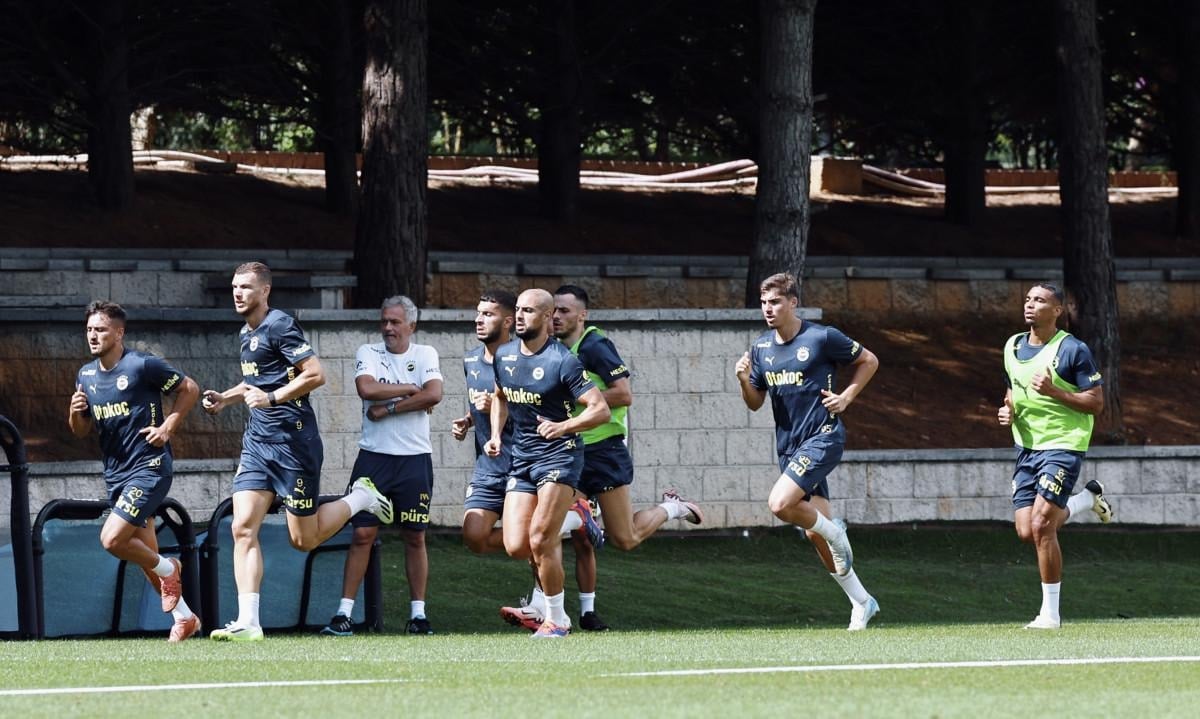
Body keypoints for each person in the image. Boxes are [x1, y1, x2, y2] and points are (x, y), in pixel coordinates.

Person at [201, 262, 392, 641]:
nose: (237, 293)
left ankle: (361, 497)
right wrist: (226, 397)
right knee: (241, 527)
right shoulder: (246, 332)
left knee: (303, 539)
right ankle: (248, 622)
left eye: (246, 287)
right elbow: (255, 381)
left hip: (294, 445)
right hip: (257, 445)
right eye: (235, 286)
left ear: (265, 291)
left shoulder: (280, 325)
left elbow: (315, 374)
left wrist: (272, 398)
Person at [500, 285, 702, 633]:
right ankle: (548, 606)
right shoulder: (541, 350)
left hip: (602, 448)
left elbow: (623, 395)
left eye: (564, 311)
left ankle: (672, 507)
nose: (558, 317)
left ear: (582, 315)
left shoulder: (592, 346)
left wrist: (566, 405)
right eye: (555, 310)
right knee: (541, 534)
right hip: (565, 449)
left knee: (623, 538)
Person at [734, 272, 881, 631]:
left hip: (823, 436)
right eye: (764, 303)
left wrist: (846, 397)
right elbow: (755, 402)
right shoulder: (761, 348)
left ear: (793, 302)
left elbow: (869, 360)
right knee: (816, 533)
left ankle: (837, 532)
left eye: (775, 302)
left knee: (779, 504)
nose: (768, 309)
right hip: (789, 447)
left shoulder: (821, 337)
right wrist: (742, 379)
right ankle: (862, 602)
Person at [67, 301, 203, 642]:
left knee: (112, 539)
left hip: (150, 467)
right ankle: (185, 618)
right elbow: (81, 431)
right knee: (145, 554)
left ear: (119, 332)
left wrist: (168, 427)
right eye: (89, 330)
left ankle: (171, 567)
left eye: (100, 330)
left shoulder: (142, 365)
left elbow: (190, 388)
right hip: (116, 474)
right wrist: (74, 412)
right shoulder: (85, 375)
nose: (93, 336)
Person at [484, 288, 611, 638]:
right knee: (516, 545)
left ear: (546, 317)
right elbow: (500, 397)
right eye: (518, 309)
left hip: (560, 455)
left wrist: (564, 426)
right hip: (521, 457)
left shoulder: (562, 360)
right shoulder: (504, 354)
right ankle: (578, 516)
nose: (519, 316)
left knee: (541, 538)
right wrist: (495, 435)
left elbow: (600, 409)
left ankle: (557, 620)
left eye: (528, 310)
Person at [321, 296, 444, 637]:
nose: (388, 328)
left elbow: (434, 394)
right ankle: (344, 614)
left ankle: (418, 615)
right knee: (362, 534)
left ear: (411, 326)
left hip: (414, 459)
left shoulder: (426, 353)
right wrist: (410, 390)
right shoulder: (368, 352)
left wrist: (388, 408)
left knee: (415, 536)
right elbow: (367, 388)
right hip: (374, 457)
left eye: (395, 322)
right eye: (384, 321)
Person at [997, 283, 1114, 630]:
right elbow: (1012, 390)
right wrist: (1008, 411)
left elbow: (1096, 403)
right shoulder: (1012, 346)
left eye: (1040, 300)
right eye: (1028, 299)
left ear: (1058, 311)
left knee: (1042, 525)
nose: (1030, 305)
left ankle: (1050, 615)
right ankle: (1086, 500)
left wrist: (1053, 390)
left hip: (1063, 444)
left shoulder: (1073, 350)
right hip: (1027, 446)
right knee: (1026, 531)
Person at [452, 289, 518, 557]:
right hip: (487, 469)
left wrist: (500, 409)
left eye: (488, 315)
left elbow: (539, 411)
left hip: (522, 466)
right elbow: (477, 405)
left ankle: (544, 532)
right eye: (478, 313)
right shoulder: (470, 359)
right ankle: (544, 531)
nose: (478, 320)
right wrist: (468, 420)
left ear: (508, 322)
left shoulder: (523, 359)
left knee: (526, 544)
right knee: (474, 536)